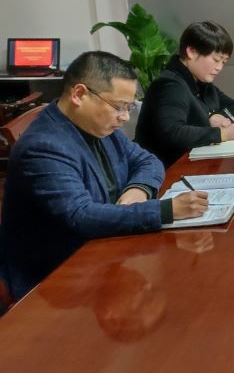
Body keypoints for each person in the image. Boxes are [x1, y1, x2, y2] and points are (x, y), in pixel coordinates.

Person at [0, 52, 208, 301]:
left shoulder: (97, 125)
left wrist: (138, 190)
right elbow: (81, 216)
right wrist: (165, 211)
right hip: (60, 280)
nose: (125, 117)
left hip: (105, 247)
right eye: (119, 107)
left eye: (129, 107)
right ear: (79, 94)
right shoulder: (44, 147)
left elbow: (148, 161)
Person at [136, 21, 234, 167]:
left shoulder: (201, 82)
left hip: (196, 161)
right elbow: (172, 132)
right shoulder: (170, 85)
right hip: (167, 169)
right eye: (216, 60)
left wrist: (217, 117)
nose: (219, 67)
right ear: (191, 51)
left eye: (224, 62)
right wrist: (223, 134)